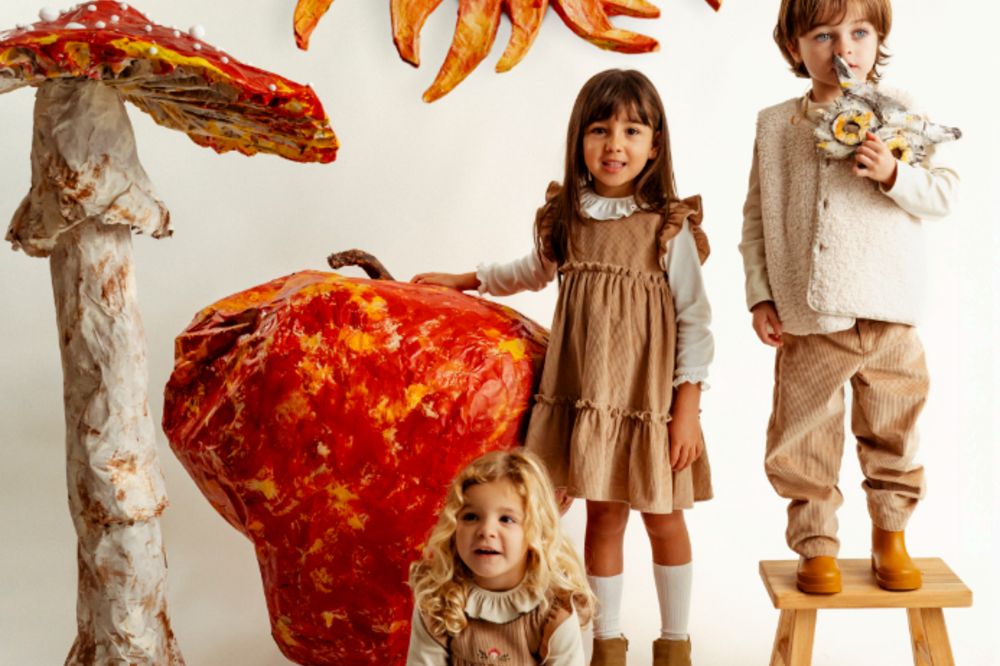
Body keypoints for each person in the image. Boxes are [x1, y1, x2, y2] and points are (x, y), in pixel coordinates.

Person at [413, 69, 713, 666]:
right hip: (587, 392)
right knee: (603, 517)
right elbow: (527, 271)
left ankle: (676, 641)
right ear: (580, 140)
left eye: (632, 130)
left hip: (648, 399)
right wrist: (465, 280)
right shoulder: (569, 219)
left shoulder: (667, 226)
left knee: (664, 517)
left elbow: (696, 320)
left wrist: (687, 409)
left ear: (655, 144)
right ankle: (607, 641)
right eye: (599, 130)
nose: (614, 145)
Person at [740, 0, 959, 594]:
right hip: (808, 315)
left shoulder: (903, 112)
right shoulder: (774, 125)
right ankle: (816, 544)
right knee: (802, 435)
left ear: (878, 37)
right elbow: (757, 217)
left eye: (859, 31)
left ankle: (891, 534)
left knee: (894, 427)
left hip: (889, 310)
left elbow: (943, 194)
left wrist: (894, 173)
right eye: (824, 34)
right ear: (794, 47)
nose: (845, 47)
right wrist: (761, 296)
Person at [406, 449, 593, 665]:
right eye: (471, 516)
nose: (486, 530)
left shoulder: (554, 611)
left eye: (506, 519)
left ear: (535, 531)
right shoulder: (438, 602)